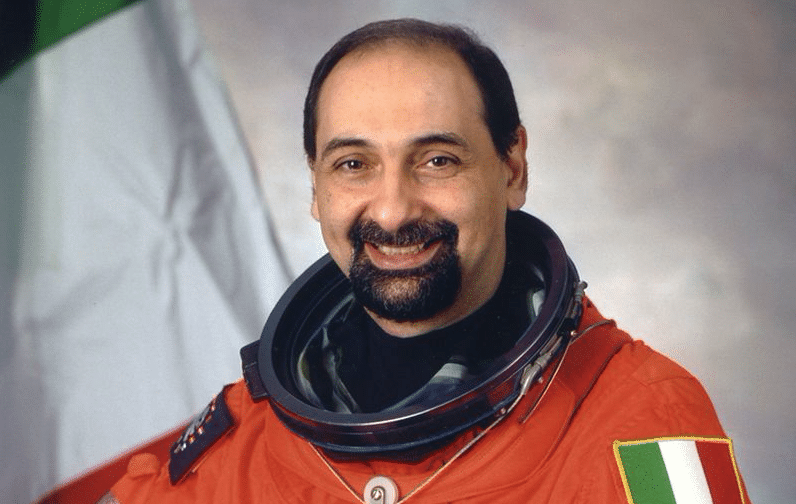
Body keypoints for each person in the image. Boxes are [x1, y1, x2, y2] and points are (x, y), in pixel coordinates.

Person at [88, 19, 749, 503]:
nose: (394, 209)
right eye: (354, 164)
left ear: (512, 168)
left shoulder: (642, 421)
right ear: (315, 188)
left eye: (437, 160)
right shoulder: (245, 436)